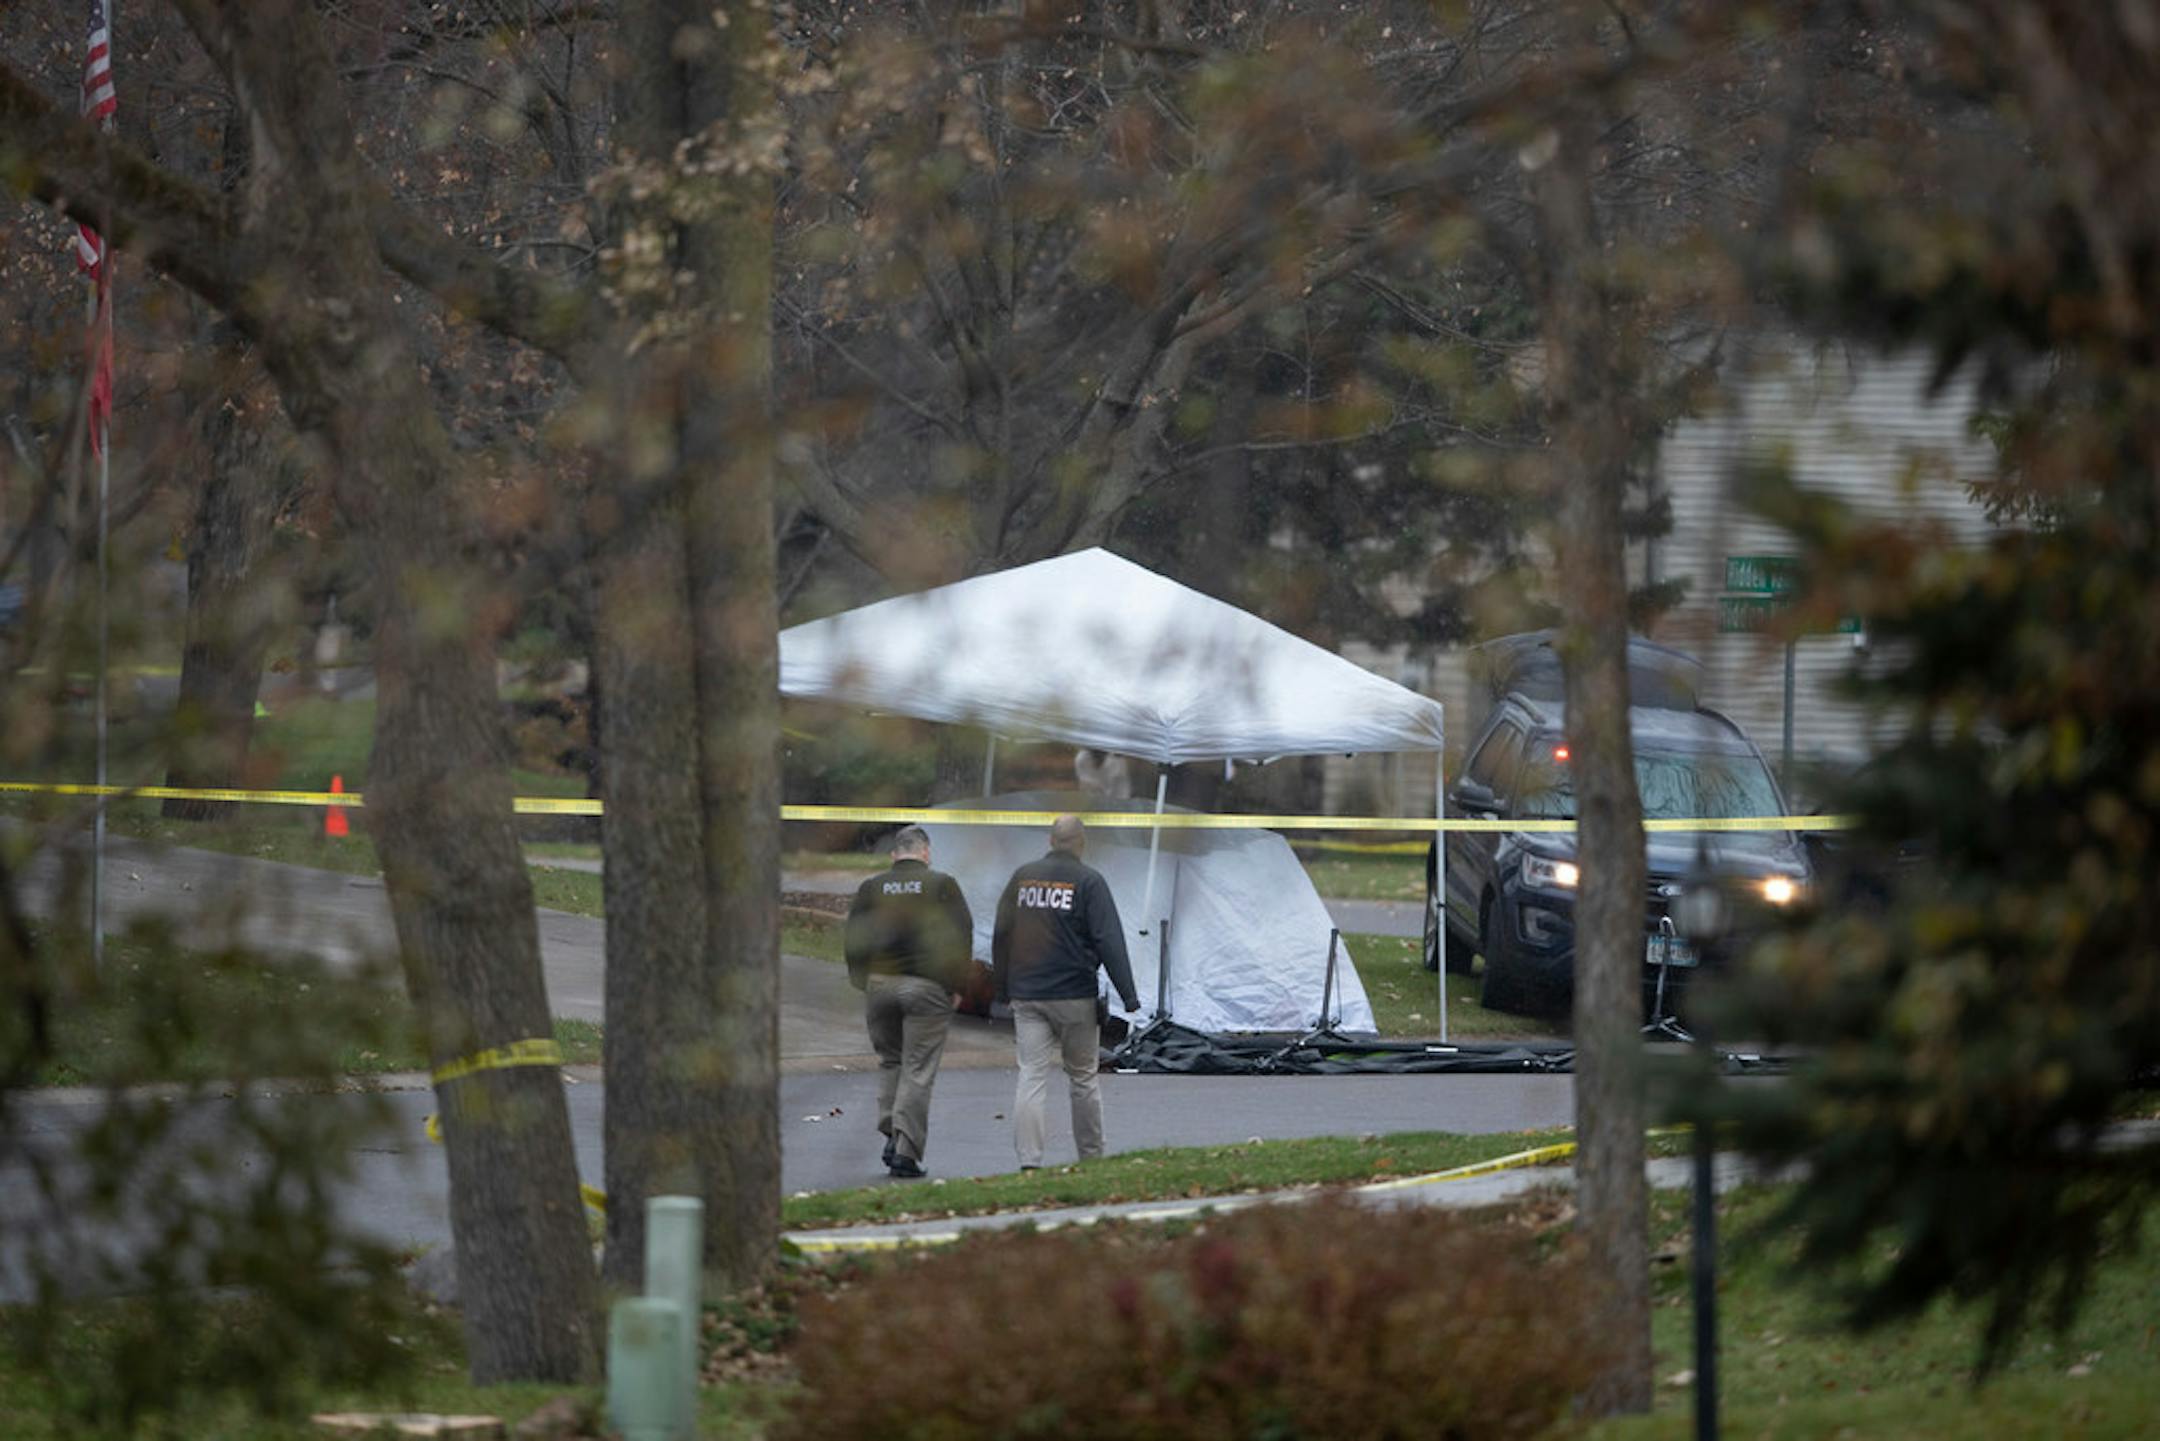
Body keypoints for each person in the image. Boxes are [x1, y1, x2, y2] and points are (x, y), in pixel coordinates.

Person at [992, 815, 1142, 1171]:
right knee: (1083, 1077)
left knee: (1031, 1074)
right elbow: (1109, 939)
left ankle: (1029, 1161)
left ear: (1050, 840)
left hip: (1028, 993)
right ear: (1081, 843)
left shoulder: (1022, 878)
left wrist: (1002, 988)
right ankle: (1091, 1157)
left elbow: (1002, 932)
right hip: (1075, 995)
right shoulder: (1089, 882)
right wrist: (1129, 996)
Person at [844, 826, 975, 1178]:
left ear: (894, 855)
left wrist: (861, 979)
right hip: (927, 989)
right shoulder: (942, 885)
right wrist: (957, 985)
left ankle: (891, 1128)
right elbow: (961, 936)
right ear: (926, 853)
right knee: (918, 1068)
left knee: (890, 1061)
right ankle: (905, 1151)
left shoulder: (872, 888)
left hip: (880, 986)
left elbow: (854, 936)